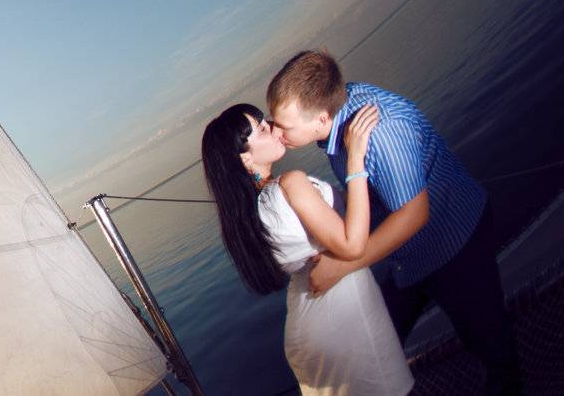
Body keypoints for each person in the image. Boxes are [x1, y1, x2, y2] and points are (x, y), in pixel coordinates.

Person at [266, 50, 522, 395]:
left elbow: (415, 213)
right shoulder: (337, 110)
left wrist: (341, 266)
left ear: (322, 118)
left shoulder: (380, 131)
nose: (275, 131)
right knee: (376, 340)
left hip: (454, 245)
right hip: (408, 258)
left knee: (493, 351)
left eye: (284, 125)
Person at [202, 101, 412, 395]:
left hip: (308, 325)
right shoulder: (291, 184)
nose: (273, 128)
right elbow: (352, 245)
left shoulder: (252, 215)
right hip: (344, 318)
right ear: (245, 160)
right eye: (261, 129)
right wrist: (355, 158)